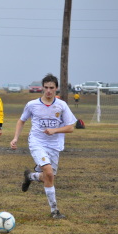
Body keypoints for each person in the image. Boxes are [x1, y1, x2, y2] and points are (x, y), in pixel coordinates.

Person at [10, 73, 77, 219]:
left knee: (48, 177)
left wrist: (55, 130)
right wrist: (15, 138)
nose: (48, 91)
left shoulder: (61, 105)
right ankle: (55, 211)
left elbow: (71, 127)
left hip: (54, 146)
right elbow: (21, 121)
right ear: (42, 88)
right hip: (37, 142)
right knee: (49, 172)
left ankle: (30, 176)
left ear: (56, 89)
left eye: (51, 88)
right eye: (46, 87)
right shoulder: (32, 105)